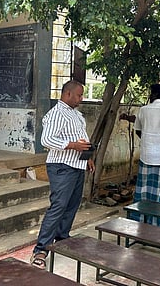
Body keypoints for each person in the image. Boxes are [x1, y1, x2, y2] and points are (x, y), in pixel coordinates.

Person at [31, 80, 95, 269]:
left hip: (77, 164)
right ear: (68, 94)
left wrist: (87, 157)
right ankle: (40, 250)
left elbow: (82, 138)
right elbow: (47, 139)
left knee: (72, 205)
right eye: (79, 95)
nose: (81, 99)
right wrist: (73, 145)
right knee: (58, 206)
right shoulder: (56, 114)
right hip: (61, 166)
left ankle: (62, 238)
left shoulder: (76, 115)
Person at [122, 84, 160, 228]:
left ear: (155, 95)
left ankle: (140, 222)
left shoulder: (143, 111)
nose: (150, 96)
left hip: (147, 156)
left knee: (143, 191)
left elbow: (138, 130)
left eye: (151, 94)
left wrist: (148, 140)